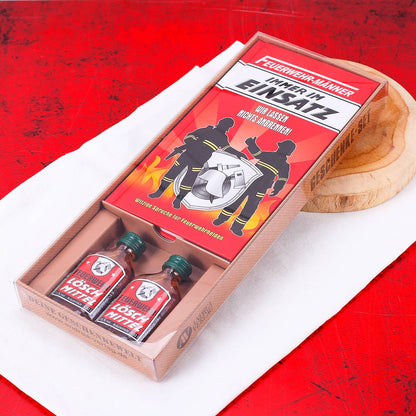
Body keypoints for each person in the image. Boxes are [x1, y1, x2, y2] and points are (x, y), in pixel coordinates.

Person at [148, 117, 247, 208]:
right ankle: (158, 192)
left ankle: (178, 200)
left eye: (227, 125)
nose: (225, 126)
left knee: (188, 181)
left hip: (199, 161)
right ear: (220, 123)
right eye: (224, 124)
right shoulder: (206, 130)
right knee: (171, 174)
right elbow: (189, 136)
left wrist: (238, 153)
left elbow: (227, 148)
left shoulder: (223, 138)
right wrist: (192, 141)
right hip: (187, 156)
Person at [213, 137, 296, 236]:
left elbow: (282, 178)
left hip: (256, 186)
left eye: (281, 147)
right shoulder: (277, 160)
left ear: (283, 149)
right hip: (251, 184)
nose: (279, 148)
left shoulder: (279, 162)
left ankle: (233, 225)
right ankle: (224, 220)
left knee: (247, 207)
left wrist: (251, 143)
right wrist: (252, 144)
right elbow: (258, 154)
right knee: (243, 205)